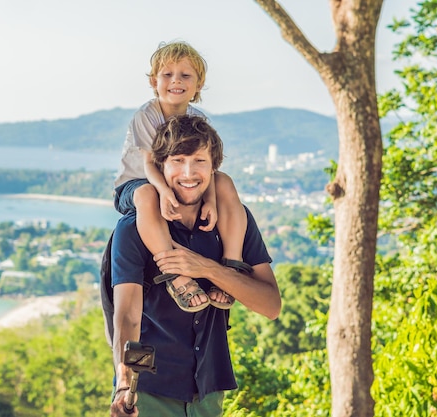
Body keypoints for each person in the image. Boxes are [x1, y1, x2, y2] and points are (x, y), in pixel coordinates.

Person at [109, 114, 281, 416]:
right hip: (148, 392)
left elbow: (270, 305)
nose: (188, 173)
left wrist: (209, 269)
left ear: (213, 167)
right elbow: (127, 316)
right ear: (160, 167)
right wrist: (124, 383)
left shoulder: (234, 222)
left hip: (209, 390)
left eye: (199, 161)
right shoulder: (134, 229)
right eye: (177, 160)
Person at [113, 40, 250, 312]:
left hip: (178, 182)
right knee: (146, 193)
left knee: (224, 181)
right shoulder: (146, 116)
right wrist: (164, 193)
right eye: (167, 75)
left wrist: (210, 199)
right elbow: (150, 165)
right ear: (154, 81)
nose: (176, 81)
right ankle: (175, 273)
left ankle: (232, 265)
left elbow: (207, 166)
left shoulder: (198, 119)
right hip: (139, 185)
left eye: (185, 75)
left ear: (198, 84)